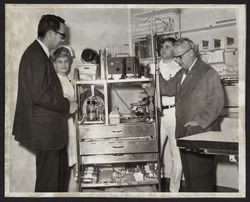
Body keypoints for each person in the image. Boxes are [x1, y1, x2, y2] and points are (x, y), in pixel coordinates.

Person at [143, 37, 224, 192]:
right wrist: (150, 84)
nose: (178, 61)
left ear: (192, 52)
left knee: (201, 179)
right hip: (184, 133)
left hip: (200, 134)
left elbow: (216, 104)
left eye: (180, 57)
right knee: (191, 178)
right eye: (176, 57)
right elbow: (167, 88)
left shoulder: (207, 73)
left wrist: (199, 122)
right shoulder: (182, 73)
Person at [12, 14, 78, 192]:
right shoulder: (36, 56)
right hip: (45, 133)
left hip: (50, 133)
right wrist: (67, 105)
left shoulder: (40, 53)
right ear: (50, 34)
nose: (62, 40)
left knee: (55, 184)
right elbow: (41, 95)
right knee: (48, 186)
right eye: (61, 36)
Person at [52, 45, 78, 191]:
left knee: (73, 163)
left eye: (66, 61)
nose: (63, 65)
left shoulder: (66, 79)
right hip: (62, 127)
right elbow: (61, 102)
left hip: (71, 127)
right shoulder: (55, 80)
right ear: (54, 64)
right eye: (60, 62)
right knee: (63, 167)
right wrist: (70, 101)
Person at [158, 37, 182, 192]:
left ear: (174, 49)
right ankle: (155, 185)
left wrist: (156, 80)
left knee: (177, 153)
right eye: (162, 46)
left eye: (167, 47)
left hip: (173, 113)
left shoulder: (179, 67)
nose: (163, 49)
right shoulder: (155, 65)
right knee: (154, 150)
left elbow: (170, 89)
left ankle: (174, 191)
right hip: (158, 113)